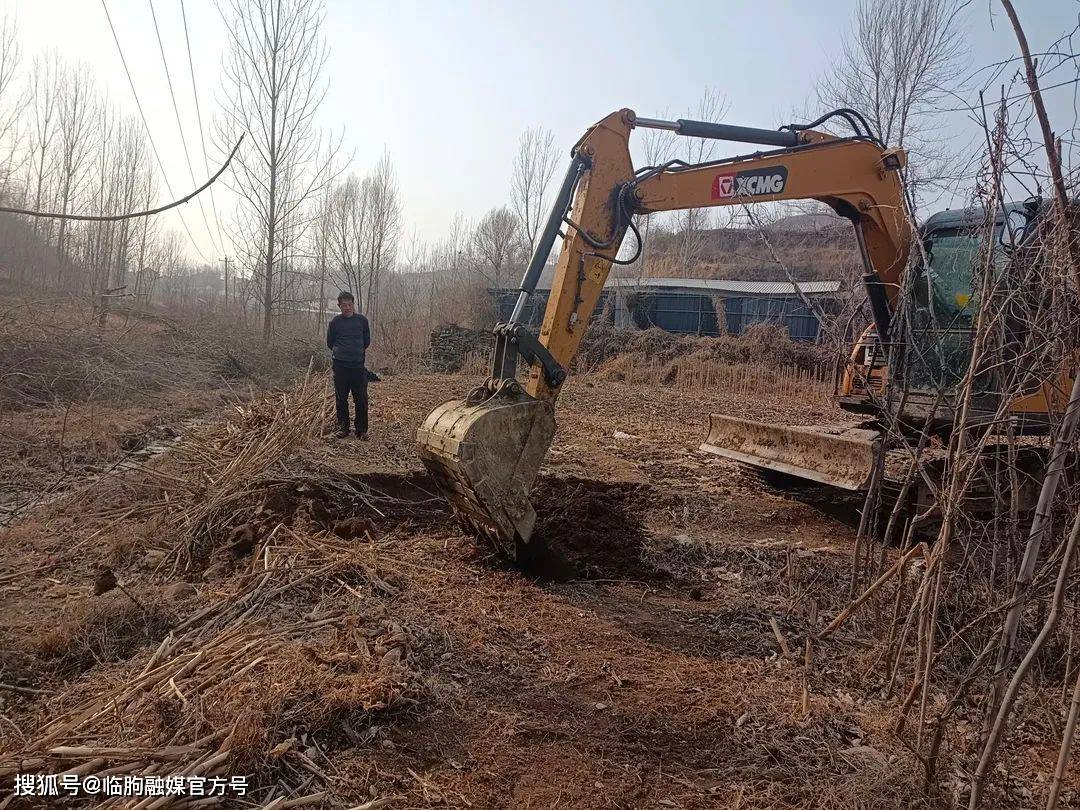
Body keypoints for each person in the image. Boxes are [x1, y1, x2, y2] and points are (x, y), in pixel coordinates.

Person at [326, 291, 371, 439]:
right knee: (341, 399)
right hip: (340, 367)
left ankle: (361, 430)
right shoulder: (335, 323)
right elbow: (330, 343)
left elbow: (366, 342)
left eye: (349, 305)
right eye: (344, 305)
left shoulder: (362, 321)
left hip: (358, 367)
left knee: (361, 399)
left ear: (353, 305)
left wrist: (355, 352)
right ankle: (343, 428)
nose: (347, 308)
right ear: (339, 306)